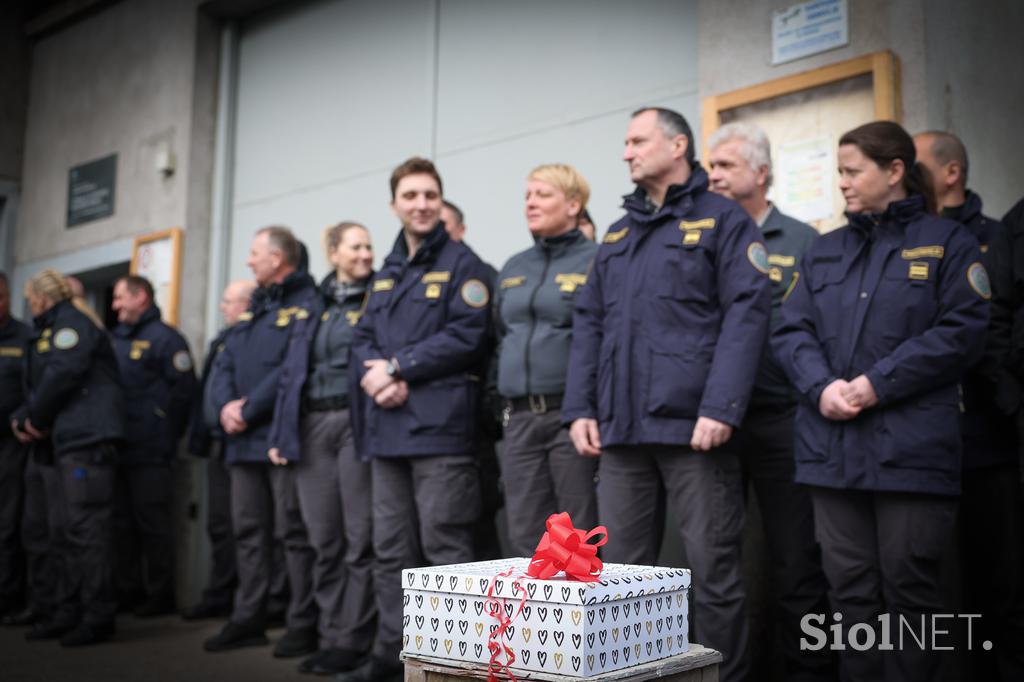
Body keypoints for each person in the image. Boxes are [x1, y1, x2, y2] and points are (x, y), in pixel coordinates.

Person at [773, 121, 990, 682]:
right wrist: (821, 387)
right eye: (839, 172)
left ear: (894, 171)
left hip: (911, 455)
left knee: (910, 593)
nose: (841, 183)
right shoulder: (823, 251)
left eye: (852, 171)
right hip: (832, 454)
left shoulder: (948, 242)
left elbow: (962, 331)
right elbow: (790, 332)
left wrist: (877, 383)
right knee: (850, 596)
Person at [563, 107, 771, 682]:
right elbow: (590, 323)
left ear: (678, 144)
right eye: (625, 143)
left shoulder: (724, 221)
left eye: (637, 141)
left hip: (694, 431)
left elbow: (747, 316)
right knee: (625, 579)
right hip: (623, 434)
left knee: (713, 574)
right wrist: (580, 407)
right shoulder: (620, 231)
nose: (626, 153)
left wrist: (720, 406)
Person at [341, 157, 491, 682]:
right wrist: (375, 375)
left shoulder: (464, 265)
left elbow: (467, 336)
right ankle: (391, 657)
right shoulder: (387, 271)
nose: (421, 204)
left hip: (440, 433)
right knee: (391, 553)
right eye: (410, 196)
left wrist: (400, 367)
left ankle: (456, 665)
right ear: (394, 205)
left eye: (430, 194)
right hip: (386, 432)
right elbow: (363, 336)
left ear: (440, 200)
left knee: (444, 549)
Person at [707, 122, 833, 679]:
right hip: (714, 427)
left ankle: (806, 673)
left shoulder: (805, 242)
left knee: (796, 560)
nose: (712, 175)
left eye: (726, 166)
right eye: (710, 166)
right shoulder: (701, 237)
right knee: (716, 561)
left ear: (761, 173)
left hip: (784, 420)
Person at [914, 130, 1024, 680]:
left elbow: (998, 332)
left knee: (999, 577)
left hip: (986, 438)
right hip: (922, 443)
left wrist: (1006, 404)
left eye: (913, 163)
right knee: (937, 584)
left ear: (950, 173)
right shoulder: (903, 241)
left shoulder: (996, 237)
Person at [267, 221, 377, 675]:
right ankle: (331, 635)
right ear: (333, 252)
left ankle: (355, 640)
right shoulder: (313, 305)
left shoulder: (379, 297)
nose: (366, 254)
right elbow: (292, 373)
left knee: (359, 540)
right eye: (356, 247)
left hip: (355, 423)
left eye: (369, 246)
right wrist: (280, 432)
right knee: (323, 539)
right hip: (311, 426)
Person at [205, 227, 318, 656]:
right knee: (249, 532)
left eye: (255, 254)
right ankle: (248, 617)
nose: (249, 262)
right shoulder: (255, 305)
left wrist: (247, 408)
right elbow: (225, 361)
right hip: (240, 442)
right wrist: (224, 408)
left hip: (277, 437)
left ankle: (301, 621)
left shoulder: (306, 302)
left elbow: (293, 367)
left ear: (278, 257)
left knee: (293, 533)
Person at [11, 269, 124, 646]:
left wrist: (35, 419)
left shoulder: (71, 326)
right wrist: (23, 418)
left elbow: (62, 375)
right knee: (61, 531)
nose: (29, 306)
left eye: (30, 299)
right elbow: (39, 385)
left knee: (87, 532)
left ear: (41, 298)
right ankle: (67, 610)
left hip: (85, 443)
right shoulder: (50, 330)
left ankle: (97, 616)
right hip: (64, 442)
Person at [495, 163, 599, 555]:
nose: (531, 203)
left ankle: (581, 618)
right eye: (527, 196)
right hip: (518, 418)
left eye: (543, 195)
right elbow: (499, 338)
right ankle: (530, 619)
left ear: (574, 205)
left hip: (570, 417)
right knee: (524, 533)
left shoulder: (598, 260)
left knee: (576, 538)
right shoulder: (514, 266)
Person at [109, 275, 196, 617]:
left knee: (153, 525)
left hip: (152, 451)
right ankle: (128, 590)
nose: (114, 306)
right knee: (121, 525)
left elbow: (184, 391)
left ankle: (160, 595)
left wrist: (162, 430)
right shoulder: (114, 340)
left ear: (140, 297)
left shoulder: (166, 339)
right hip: (119, 447)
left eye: (119, 298)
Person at [182, 279, 256, 620]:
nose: (223, 307)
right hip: (215, 442)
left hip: (240, 441)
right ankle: (220, 593)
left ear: (246, 303)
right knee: (218, 524)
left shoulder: (251, 337)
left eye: (228, 301)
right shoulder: (221, 340)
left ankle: (246, 600)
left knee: (242, 525)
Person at [441, 198, 503, 560]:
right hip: (433, 421)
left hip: (472, 418)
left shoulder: (479, 274)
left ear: (461, 231)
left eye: (444, 225)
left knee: (476, 520)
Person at [0, 272, 32, 619]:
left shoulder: (24, 338)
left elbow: (34, 390)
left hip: (10, 444)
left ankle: (8, 595)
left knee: (8, 524)